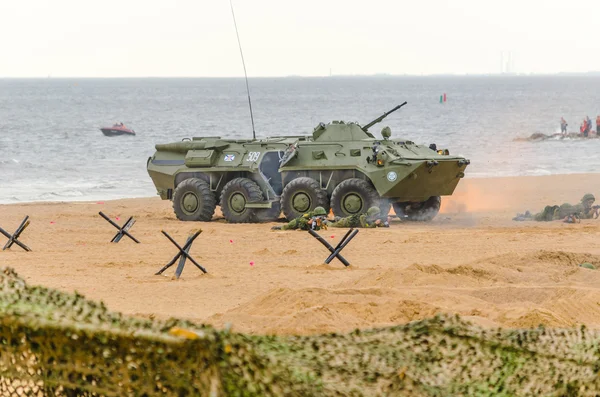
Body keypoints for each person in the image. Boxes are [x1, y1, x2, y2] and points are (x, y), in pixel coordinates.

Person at [513, 193, 597, 222]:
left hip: (552, 212)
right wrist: (592, 212)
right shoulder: (580, 207)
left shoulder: (581, 207)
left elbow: (584, 217)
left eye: (592, 203)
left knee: (535, 216)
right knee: (534, 218)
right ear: (585, 201)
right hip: (551, 213)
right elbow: (584, 217)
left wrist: (593, 211)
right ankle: (520, 217)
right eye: (589, 202)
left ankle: (527, 214)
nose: (590, 204)